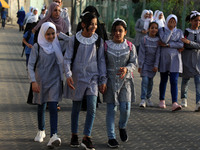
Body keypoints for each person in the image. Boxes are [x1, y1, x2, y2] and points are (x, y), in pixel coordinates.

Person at [64, 12, 107, 150]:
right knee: (76, 108)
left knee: (92, 107)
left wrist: (103, 80)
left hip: (93, 78)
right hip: (77, 78)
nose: (94, 27)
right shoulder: (74, 40)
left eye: (96, 24)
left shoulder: (99, 41)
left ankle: (86, 137)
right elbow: (67, 58)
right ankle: (74, 135)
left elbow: (101, 61)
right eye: (92, 24)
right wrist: (68, 74)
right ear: (84, 24)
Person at [28, 22, 64, 148]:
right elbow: (31, 65)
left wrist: (61, 35)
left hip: (54, 81)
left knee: (53, 107)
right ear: (43, 34)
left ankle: (54, 135)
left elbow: (71, 41)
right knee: (41, 105)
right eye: (48, 34)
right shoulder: (37, 47)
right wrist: (33, 81)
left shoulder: (57, 46)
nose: (51, 36)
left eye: (53, 33)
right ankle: (41, 130)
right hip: (40, 81)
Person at [103, 18, 137, 148]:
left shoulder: (130, 46)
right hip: (110, 81)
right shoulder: (106, 45)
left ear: (125, 32)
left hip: (126, 81)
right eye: (115, 31)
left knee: (125, 109)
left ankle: (122, 125)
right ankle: (111, 137)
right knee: (111, 110)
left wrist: (127, 69)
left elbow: (134, 62)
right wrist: (103, 80)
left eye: (120, 31)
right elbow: (102, 63)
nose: (118, 33)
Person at [76, 5, 108, 111]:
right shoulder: (81, 27)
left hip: (96, 59)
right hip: (81, 64)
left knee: (93, 87)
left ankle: (93, 101)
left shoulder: (100, 26)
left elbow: (105, 39)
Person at [158, 14, 184, 111]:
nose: (172, 23)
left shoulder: (179, 31)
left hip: (175, 59)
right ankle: (162, 99)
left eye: (174, 21)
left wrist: (168, 45)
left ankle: (174, 102)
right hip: (164, 58)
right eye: (170, 21)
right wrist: (170, 30)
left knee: (174, 80)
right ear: (167, 21)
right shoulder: (162, 30)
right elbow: (163, 40)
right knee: (164, 79)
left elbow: (181, 44)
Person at [180, 11, 200, 111]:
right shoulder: (186, 32)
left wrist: (189, 42)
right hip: (187, 57)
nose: (197, 23)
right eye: (195, 20)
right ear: (191, 21)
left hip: (197, 59)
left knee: (198, 81)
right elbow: (182, 42)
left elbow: (198, 45)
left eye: (199, 21)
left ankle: (198, 102)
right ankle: (183, 98)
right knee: (185, 80)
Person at [138, 22, 160, 108]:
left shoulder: (158, 41)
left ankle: (148, 98)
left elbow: (158, 54)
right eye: (152, 28)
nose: (154, 29)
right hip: (144, 65)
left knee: (150, 82)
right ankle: (143, 99)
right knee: (145, 81)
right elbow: (141, 53)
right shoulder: (144, 39)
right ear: (148, 29)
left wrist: (156, 65)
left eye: (155, 28)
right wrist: (140, 65)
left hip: (152, 66)